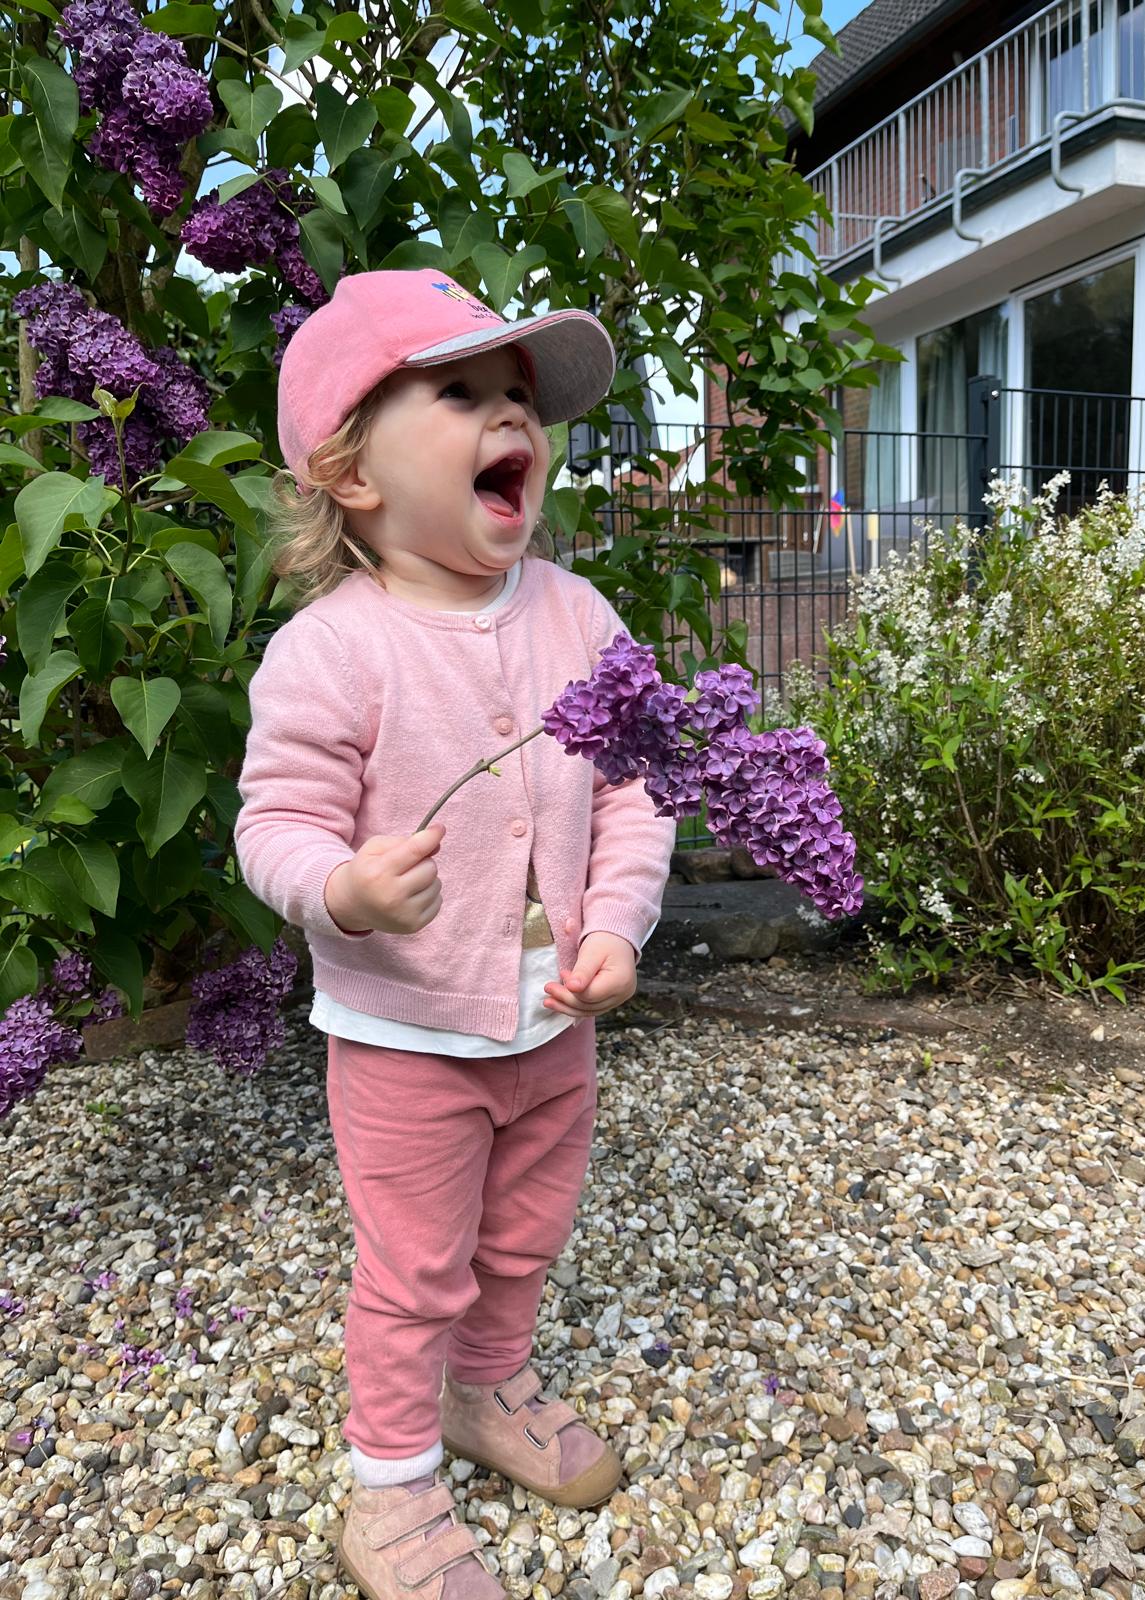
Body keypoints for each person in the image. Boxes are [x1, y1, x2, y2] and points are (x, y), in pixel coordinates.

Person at [234, 269, 676, 1600]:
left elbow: (635, 791)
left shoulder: (580, 618)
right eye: (464, 391)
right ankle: (390, 1486)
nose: (513, 417)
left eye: (520, 396)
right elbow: (275, 826)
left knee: (525, 1234)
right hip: (405, 1037)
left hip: (556, 1023)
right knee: (414, 1269)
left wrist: (619, 923)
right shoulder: (332, 651)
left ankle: (485, 1391)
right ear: (350, 472)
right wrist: (343, 889)